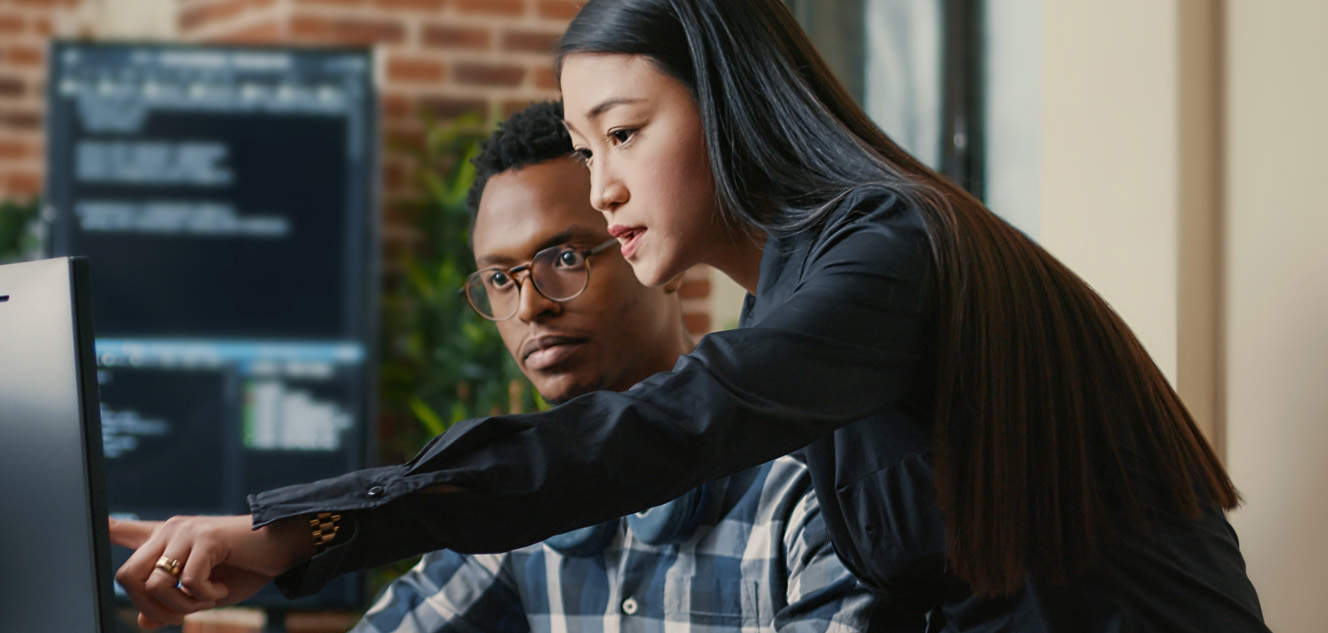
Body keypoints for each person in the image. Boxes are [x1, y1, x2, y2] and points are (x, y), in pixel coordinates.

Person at [109, 1, 1267, 632]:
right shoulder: (818, 287)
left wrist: (306, 529)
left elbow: (665, 426)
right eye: (581, 148)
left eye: (623, 133)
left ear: (729, 108)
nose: (601, 184)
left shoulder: (888, 250)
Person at [344, 101, 893, 633]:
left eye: (565, 259)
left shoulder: (811, 481)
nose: (531, 305)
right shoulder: (516, 510)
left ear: (658, 258)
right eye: (500, 279)